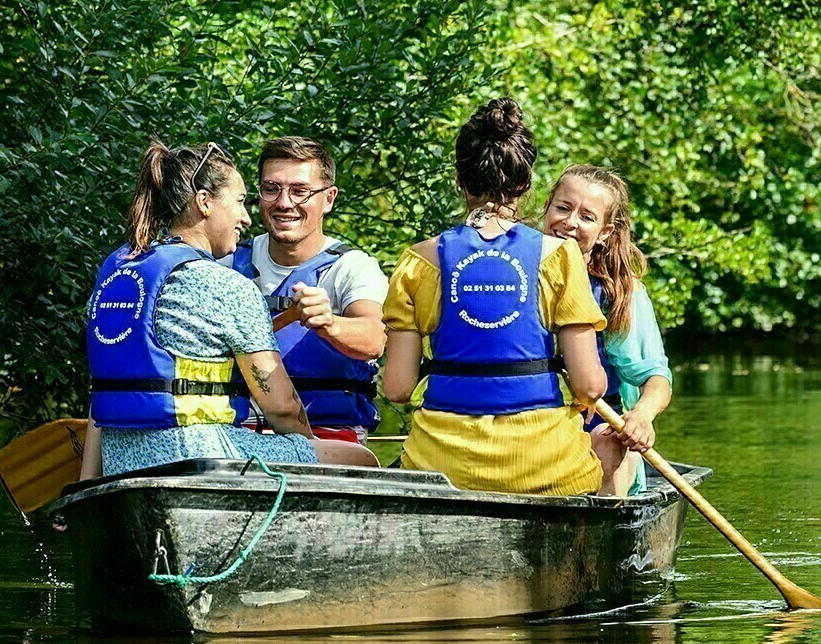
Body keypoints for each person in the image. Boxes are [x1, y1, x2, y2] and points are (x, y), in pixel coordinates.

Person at [80, 139, 373, 481]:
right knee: (359, 459)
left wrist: (86, 484)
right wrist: (307, 453)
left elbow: (104, 395)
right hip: (198, 458)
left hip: (120, 458)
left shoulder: (117, 272)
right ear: (204, 202)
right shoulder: (225, 284)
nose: (246, 218)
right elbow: (283, 409)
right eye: (239, 201)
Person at [381, 99, 608, 496]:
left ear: (459, 179)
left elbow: (397, 388)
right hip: (548, 471)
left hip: (443, 470)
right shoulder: (560, 257)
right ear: (525, 184)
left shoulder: (418, 263)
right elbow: (589, 386)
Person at [231, 136, 387, 448]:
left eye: (300, 191)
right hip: (238, 434)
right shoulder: (227, 262)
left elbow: (374, 338)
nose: (284, 203)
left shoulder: (352, 267)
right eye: (271, 189)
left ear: (328, 199)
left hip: (329, 434)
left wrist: (330, 324)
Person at [542, 165, 673, 497]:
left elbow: (656, 379)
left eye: (587, 217)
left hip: (595, 428)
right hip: (535, 424)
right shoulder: (516, 272)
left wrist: (641, 416)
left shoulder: (617, 294)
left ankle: (608, 509)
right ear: (546, 208)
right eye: (563, 208)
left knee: (608, 440)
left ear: (604, 232)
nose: (570, 222)